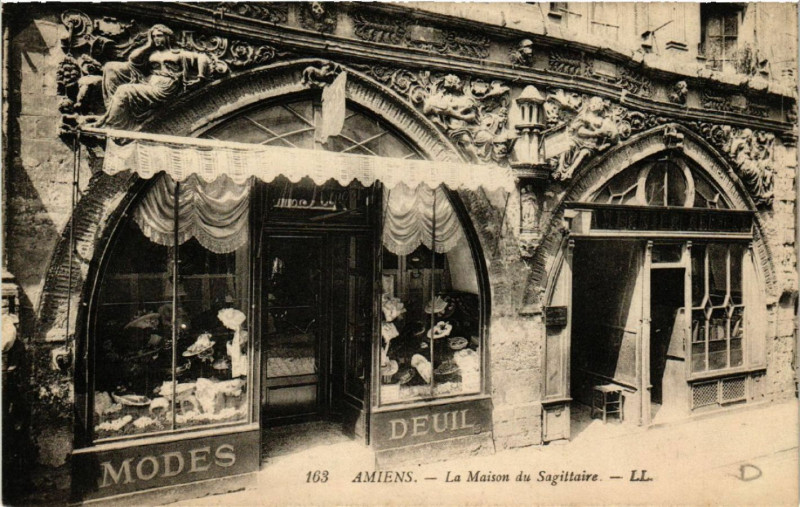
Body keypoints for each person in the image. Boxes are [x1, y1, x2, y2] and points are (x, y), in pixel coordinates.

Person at [89, 24, 225, 129]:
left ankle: (111, 123)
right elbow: (132, 59)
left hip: (165, 86)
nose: (156, 39)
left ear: (168, 37)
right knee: (110, 67)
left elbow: (202, 58)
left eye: (159, 36)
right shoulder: (151, 53)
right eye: (154, 36)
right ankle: (113, 113)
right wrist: (148, 45)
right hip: (149, 81)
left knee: (124, 90)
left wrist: (200, 78)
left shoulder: (178, 53)